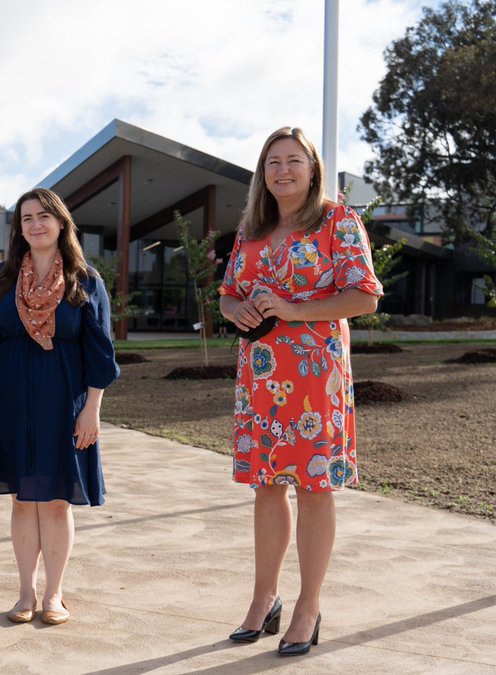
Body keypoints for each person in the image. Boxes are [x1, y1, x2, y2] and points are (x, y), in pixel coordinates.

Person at [220, 127, 382, 656]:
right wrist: (237, 311)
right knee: (267, 487)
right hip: (261, 378)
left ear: (312, 168)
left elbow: (364, 298)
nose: (282, 170)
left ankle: (308, 606)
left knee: (314, 488)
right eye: (272, 162)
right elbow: (227, 296)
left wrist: (293, 310)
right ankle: (264, 598)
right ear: (261, 173)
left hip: (317, 379)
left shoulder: (338, 221)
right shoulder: (252, 228)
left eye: (293, 160)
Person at [0, 187, 119, 626]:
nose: (35, 224)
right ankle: (25, 593)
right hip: (9, 400)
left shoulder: (86, 281)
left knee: (55, 502)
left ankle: (55, 594)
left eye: (44, 216)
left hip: (62, 400)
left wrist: (92, 409)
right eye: (26, 218)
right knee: (21, 502)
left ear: (62, 222)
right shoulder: (1, 278)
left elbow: (100, 351)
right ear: (19, 228)